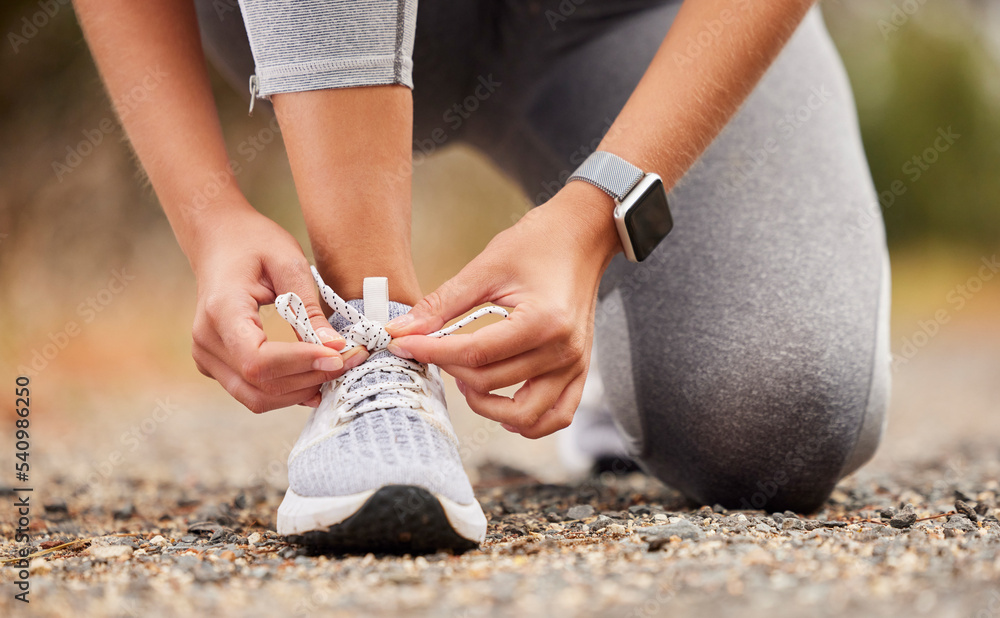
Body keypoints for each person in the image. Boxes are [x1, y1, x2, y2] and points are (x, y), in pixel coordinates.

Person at [74, 0, 890, 552]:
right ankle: (376, 361)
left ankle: (609, 335)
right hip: (311, 22)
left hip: (624, 20)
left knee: (782, 416)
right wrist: (206, 213)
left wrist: (596, 218)